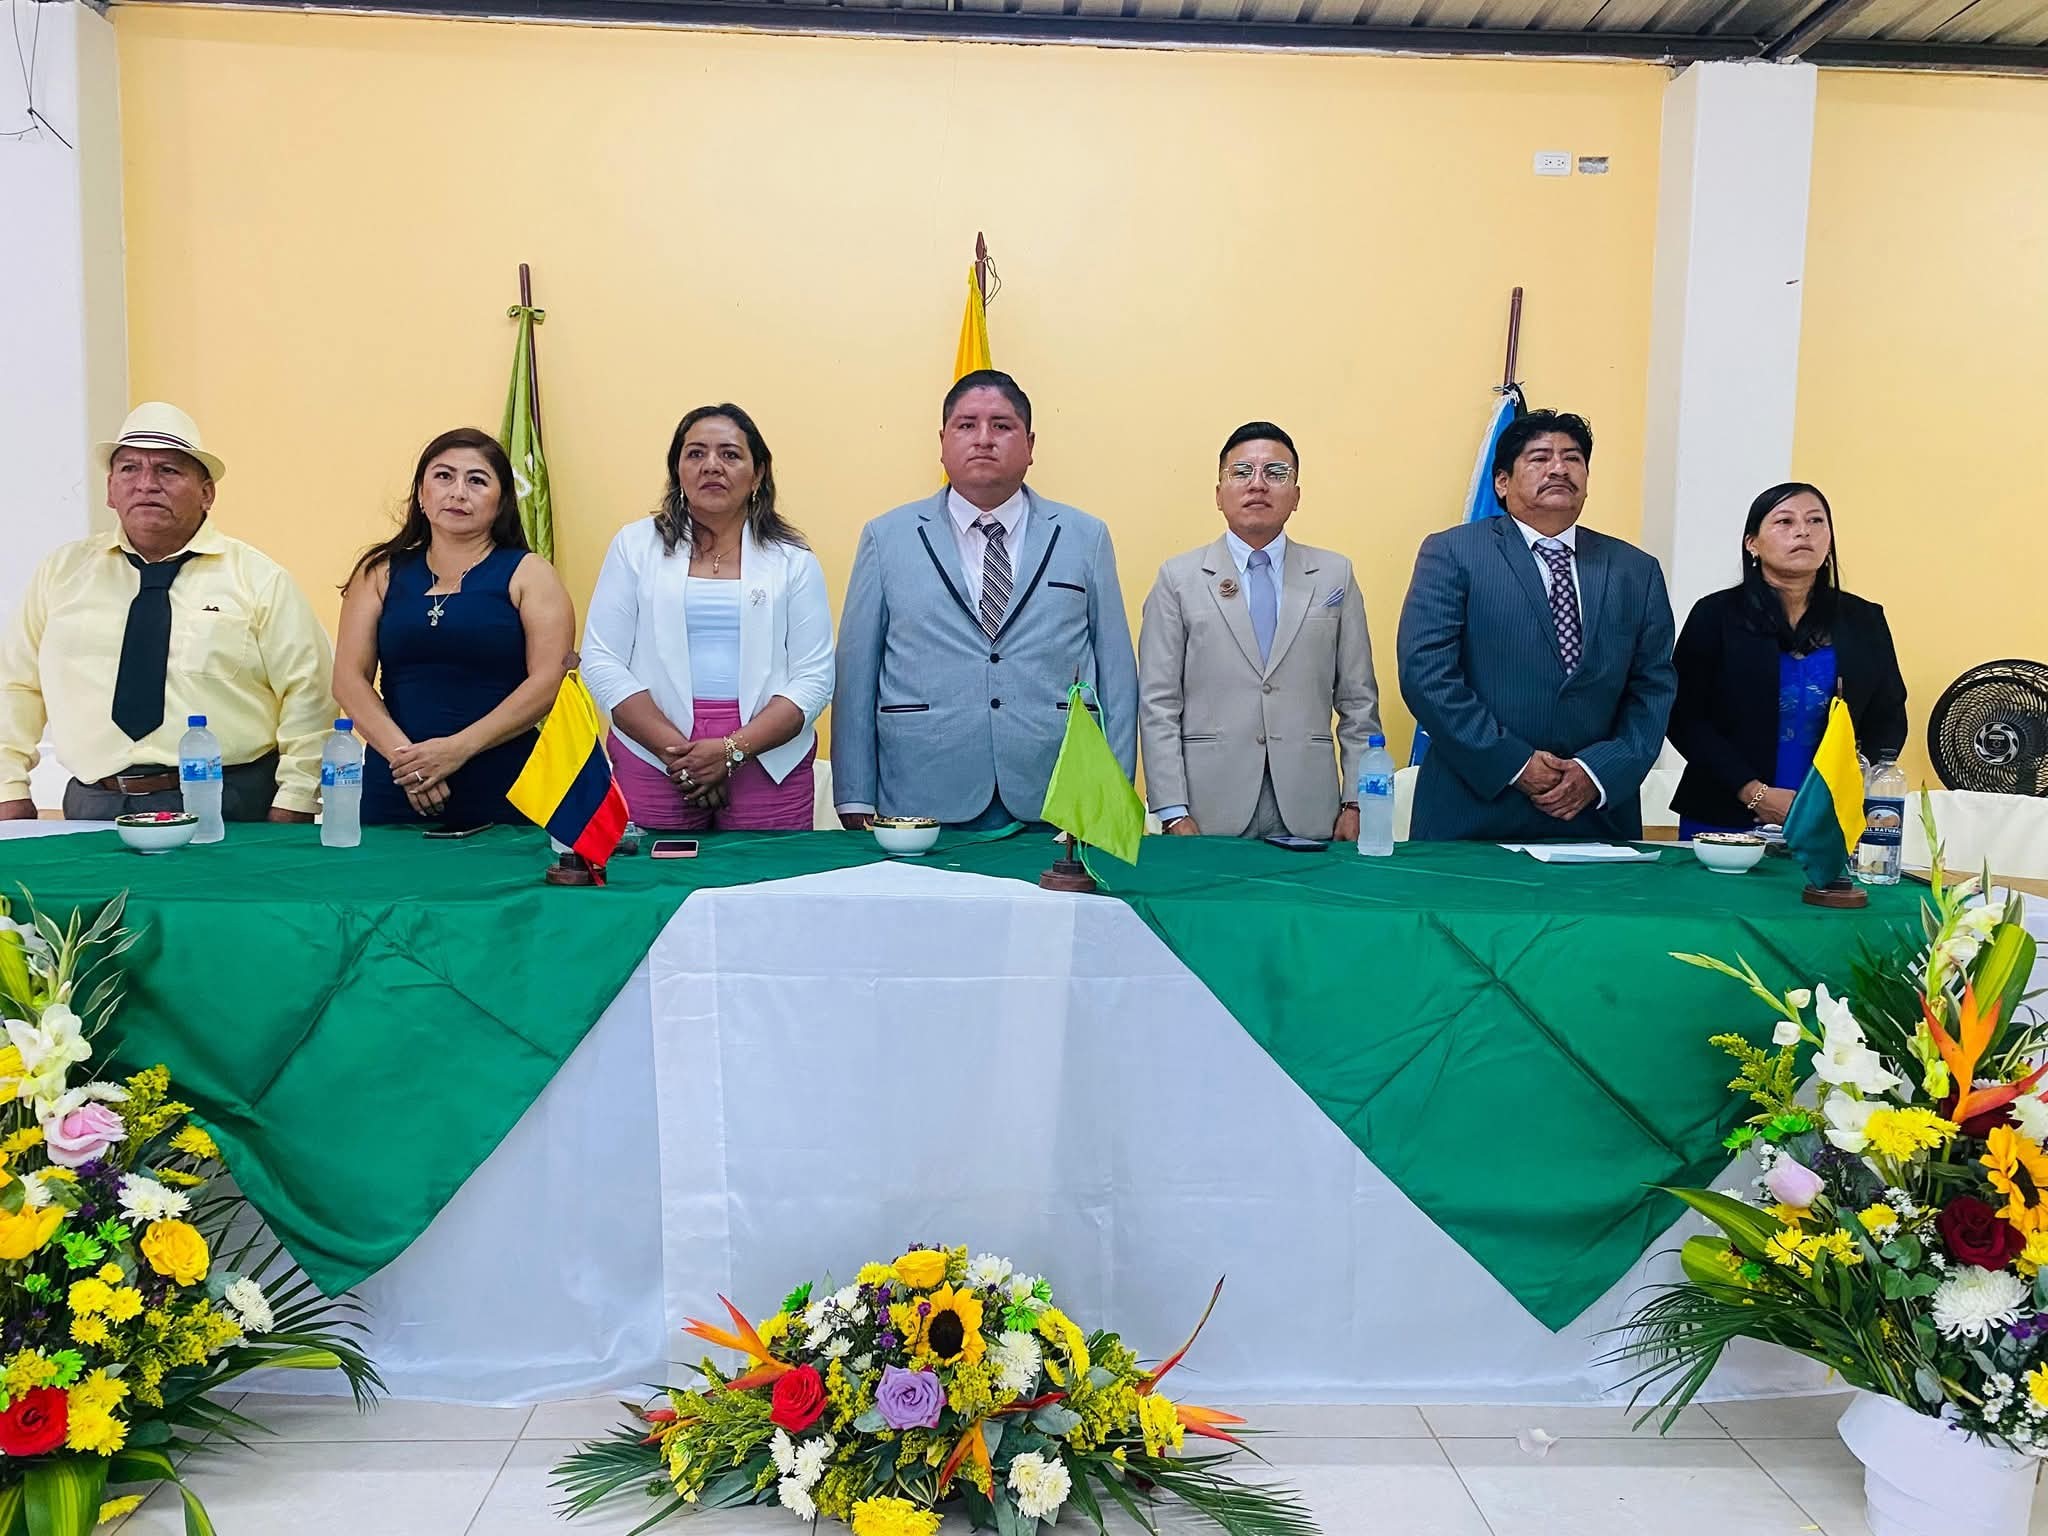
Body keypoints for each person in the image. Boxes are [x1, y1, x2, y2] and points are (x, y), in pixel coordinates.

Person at [0, 402, 333, 823]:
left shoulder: (259, 580)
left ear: (207, 493)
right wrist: (7, 787)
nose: (146, 484)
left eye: (168, 470)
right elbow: (15, 685)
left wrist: (297, 799)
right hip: (94, 804)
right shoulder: (61, 574)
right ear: (110, 490)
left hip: (228, 802)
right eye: (129, 469)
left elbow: (310, 694)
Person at [834, 370, 1137, 829]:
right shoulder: (886, 537)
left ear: (1030, 445)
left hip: (1058, 793)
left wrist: (1112, 794)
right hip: (921, 793)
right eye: (966, 425)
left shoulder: (1085, 537)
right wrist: (853, 795)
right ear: (942, 442)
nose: (983, 439)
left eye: (1001, 425)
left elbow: (1116, 674)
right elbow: (857, 673)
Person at [1397, 409, 1676, 842]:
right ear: (1502, 482)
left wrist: (1597, 773)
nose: (1559, 468)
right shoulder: (1453, 553)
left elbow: (1653, 688)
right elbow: (1427, 675)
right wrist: (1515, 763)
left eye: (1573, 458)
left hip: (1595, 816)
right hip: (1473, 808)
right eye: (1540, 458)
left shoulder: (1635, 570)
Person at [581, 404, 833, 831]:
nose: (712, 465)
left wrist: (731, 751)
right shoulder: (634, 546)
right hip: (654, 745)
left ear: (758, 474)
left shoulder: (793, 560)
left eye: (730, 454)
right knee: (651, 871)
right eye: (695, 453)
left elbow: (815, 677)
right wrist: (681, 755)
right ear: (677, 470)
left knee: (767, 871)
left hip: (768, 750)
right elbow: (602, 659)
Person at [1138, 421, 1380, 841]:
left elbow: (1359, 701)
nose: (1258, 484)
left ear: (1296, 495)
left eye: (1276, 472)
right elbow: (1158, 702)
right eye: (1242, 472)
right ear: (1219, 494)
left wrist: (1356, 801)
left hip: (1311, 809)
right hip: (1206, 810)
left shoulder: (1334, 575)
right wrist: (1173, 811)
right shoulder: (1178, 579)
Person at [334, 428, 574, 827]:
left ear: (501, 502)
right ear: (421, 493)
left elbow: (548, 681)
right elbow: (348, 680)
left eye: (477, 481)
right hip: (397, 782)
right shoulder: (379, 572)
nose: (458, 492)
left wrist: (456, 750)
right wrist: (408, 761)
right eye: (444, 476)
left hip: (504, 786)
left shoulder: (530, 574)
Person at [1669, 482, 1906, 838]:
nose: (1803, 531)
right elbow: (1684, 717)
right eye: (1784, 522)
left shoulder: (1863, 620)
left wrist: (1844, 786)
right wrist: (1754, 793)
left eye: (1815, 521)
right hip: (1725, 811)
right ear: (1752, 543)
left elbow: (1888, 717)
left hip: (1829, 815)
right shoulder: (1715, 615)